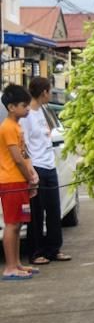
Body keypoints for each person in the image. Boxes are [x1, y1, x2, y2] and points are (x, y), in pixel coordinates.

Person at [22, 77, 70, 265]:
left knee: (53, 209)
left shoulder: (43, 110)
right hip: (37, 167)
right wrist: (30, 171)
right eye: (49, 91)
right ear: (44, 92)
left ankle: (54, 249)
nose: (50, 94)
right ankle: (36, 252)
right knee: (36, 213)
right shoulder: (26, 116)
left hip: (50, 165)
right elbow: (23, 145)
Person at [0, 84, 39, 279]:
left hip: (20, 181)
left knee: (19, 223)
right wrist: (29, 177)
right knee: (12, 224)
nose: (28, 109)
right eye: (24, 105)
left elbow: (24, 155)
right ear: (11, 107)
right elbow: (16, 159)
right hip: (11, 182)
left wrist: (31, 176)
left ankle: (16, 264)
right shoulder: (7, 128)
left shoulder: (17, 126)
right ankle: (9, 268)